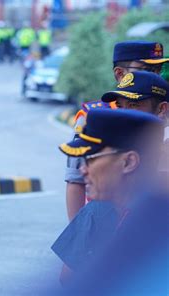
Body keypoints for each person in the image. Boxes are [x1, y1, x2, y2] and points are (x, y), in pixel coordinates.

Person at [53, 71, 169, 282]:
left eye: (93, 158)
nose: (83, 170)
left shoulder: (159, 219)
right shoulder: (95, 211)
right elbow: (68, 281)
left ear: (128, 162)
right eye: (122, 105)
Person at [65, 41, 169, 222]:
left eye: (158, 69)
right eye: (147, 69)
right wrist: (78, 234)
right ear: (120, 73)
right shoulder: (93, 116)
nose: (156, 76)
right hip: (103, 221)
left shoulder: (161, 112)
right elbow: (76, 180)